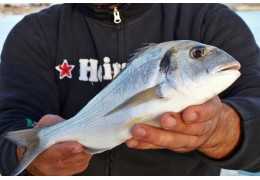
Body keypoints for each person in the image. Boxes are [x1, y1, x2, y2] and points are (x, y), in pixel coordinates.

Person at [0, 3, 260, 176]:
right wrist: (25, 155)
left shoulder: (211, 20)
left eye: (198, 53)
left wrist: (226, 129)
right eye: (198, 54)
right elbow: (6, 126)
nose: (203, 55)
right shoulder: (35, 33)